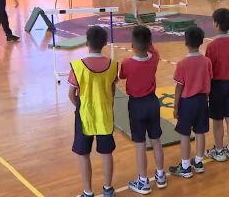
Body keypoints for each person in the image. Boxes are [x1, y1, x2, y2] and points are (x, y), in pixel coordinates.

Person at [67, 26, 117, 197]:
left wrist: (80, 107)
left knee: (83, 154)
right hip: (105, 114)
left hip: (84, 115)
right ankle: (108, 189)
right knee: (107, 153)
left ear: (87, 42)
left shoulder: (77, 66)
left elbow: (71, 94)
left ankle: (88, 192)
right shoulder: (112, 65)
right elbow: (112, 90)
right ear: (104, 43)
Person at [119, 26, 167, 194]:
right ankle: (161, 176)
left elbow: (122, 75)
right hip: (153, 103)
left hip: (136, 105)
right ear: (149, 43)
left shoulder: (127, 63)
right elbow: (152, 49)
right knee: (156, 141)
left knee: (140, 145)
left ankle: (143, 181)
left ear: (132, 44)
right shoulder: (154, 58)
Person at [169, 27, 212, 178]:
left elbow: (179, 87)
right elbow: (208, 82)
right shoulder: (207, 61)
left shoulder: (182, 64)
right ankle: (199, 162)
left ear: (186, 42)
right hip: (202, 101)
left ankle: (185, 166)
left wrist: (175, 107)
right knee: (200, 132)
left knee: (185, 134)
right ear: (201, 42)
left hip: (187, 103)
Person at [204, 9, 229, 162]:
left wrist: (206, 89)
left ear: (216, 24)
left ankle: (219, 150)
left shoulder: (212, 46)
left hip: (217, 85)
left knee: (217, 119)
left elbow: (208, 69)